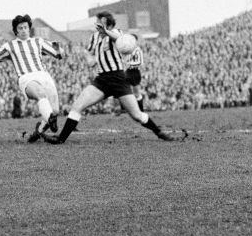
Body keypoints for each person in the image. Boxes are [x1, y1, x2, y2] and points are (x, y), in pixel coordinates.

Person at [43, 11, 174, 144]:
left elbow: (119, 39)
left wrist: (106, 31)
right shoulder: (95, 37)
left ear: (106, 22)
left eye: (99, 21)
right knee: (77, 106)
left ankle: (159, 133)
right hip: (102, 80)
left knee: (137, 116)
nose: (96, 24)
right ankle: (60, 139)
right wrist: (89, 58)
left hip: (118, 78)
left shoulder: (117, 32)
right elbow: (89, 55)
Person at [0, 14, 62, 143]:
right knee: (40, 94)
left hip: (44, 75)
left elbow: (57, 54)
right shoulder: (9, 46)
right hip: (26, 78)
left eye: (25, 27)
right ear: (16, 30)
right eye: (20, 28)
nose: (23, 30)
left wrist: (59, 49)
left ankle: (38, 132)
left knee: (55, 110)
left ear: (29, 28)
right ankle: (50, 118)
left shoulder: (38, 41)